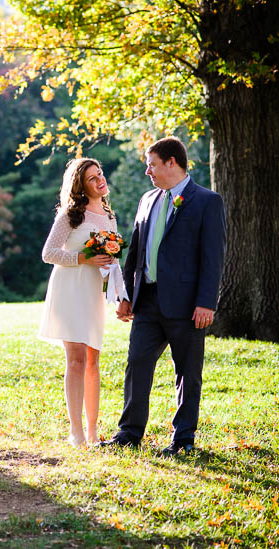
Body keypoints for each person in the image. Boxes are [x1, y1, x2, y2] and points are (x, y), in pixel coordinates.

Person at [101, 136, 226, 456]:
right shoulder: (147, 200)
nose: (147, 171)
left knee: (187, 373)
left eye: (152, 164)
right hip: (147, 301)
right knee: (136, 364)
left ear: (172, 162)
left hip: (187, 306)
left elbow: (213, 256)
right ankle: (128, 433)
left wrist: (206, 303)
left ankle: (183, 439)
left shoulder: (206, 201)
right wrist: (125, 295)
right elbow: (136, 253)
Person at [38, 157, 116, 447]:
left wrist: (115, 287)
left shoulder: (109, 214)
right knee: (76, 359)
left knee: (93, 360)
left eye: (101, 174)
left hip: (94, 290)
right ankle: (76, 431)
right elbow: (49, 253)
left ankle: (93, 431)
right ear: (81, 186)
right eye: (93, 178)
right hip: (69, 288)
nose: (100, 180)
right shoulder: (71, 215)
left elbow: (110, 257)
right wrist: (83, 258)